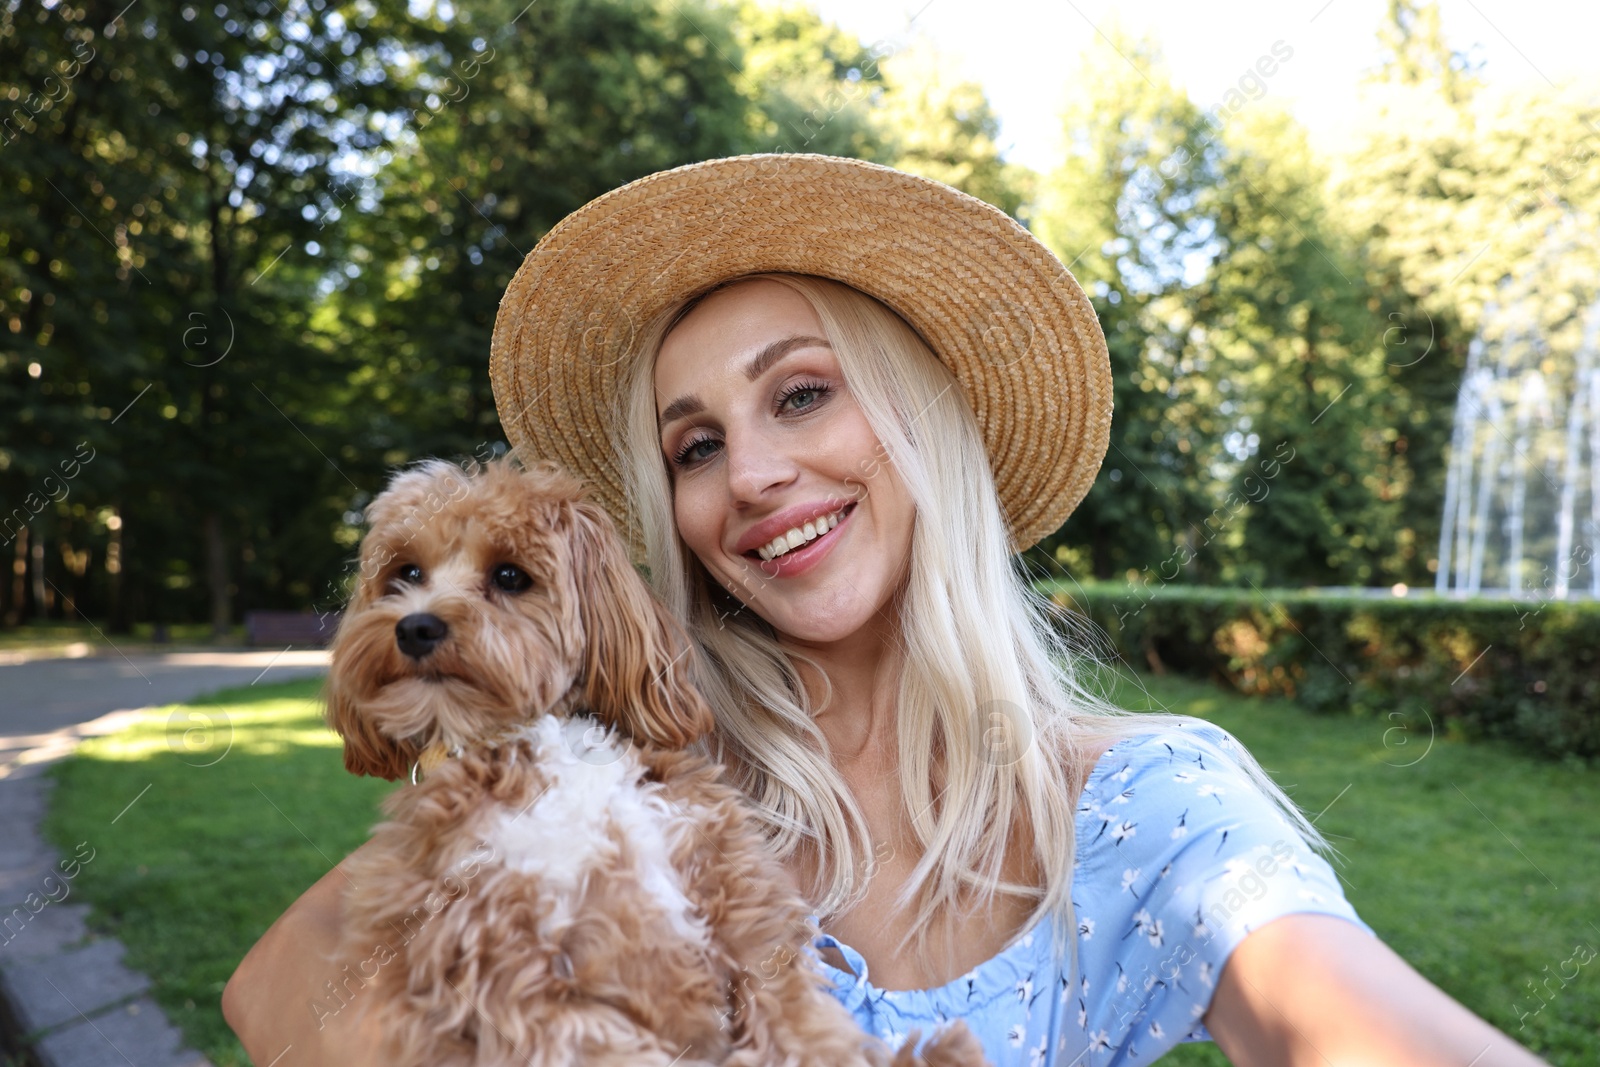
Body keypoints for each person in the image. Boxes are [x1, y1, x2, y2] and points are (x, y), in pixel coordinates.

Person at [224, 155, 1550, 1066]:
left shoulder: (1150, 810)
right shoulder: (630, 778)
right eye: (694, 447)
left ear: (924, 420)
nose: (749, 476)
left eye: (801, 394)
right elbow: (275, 988)